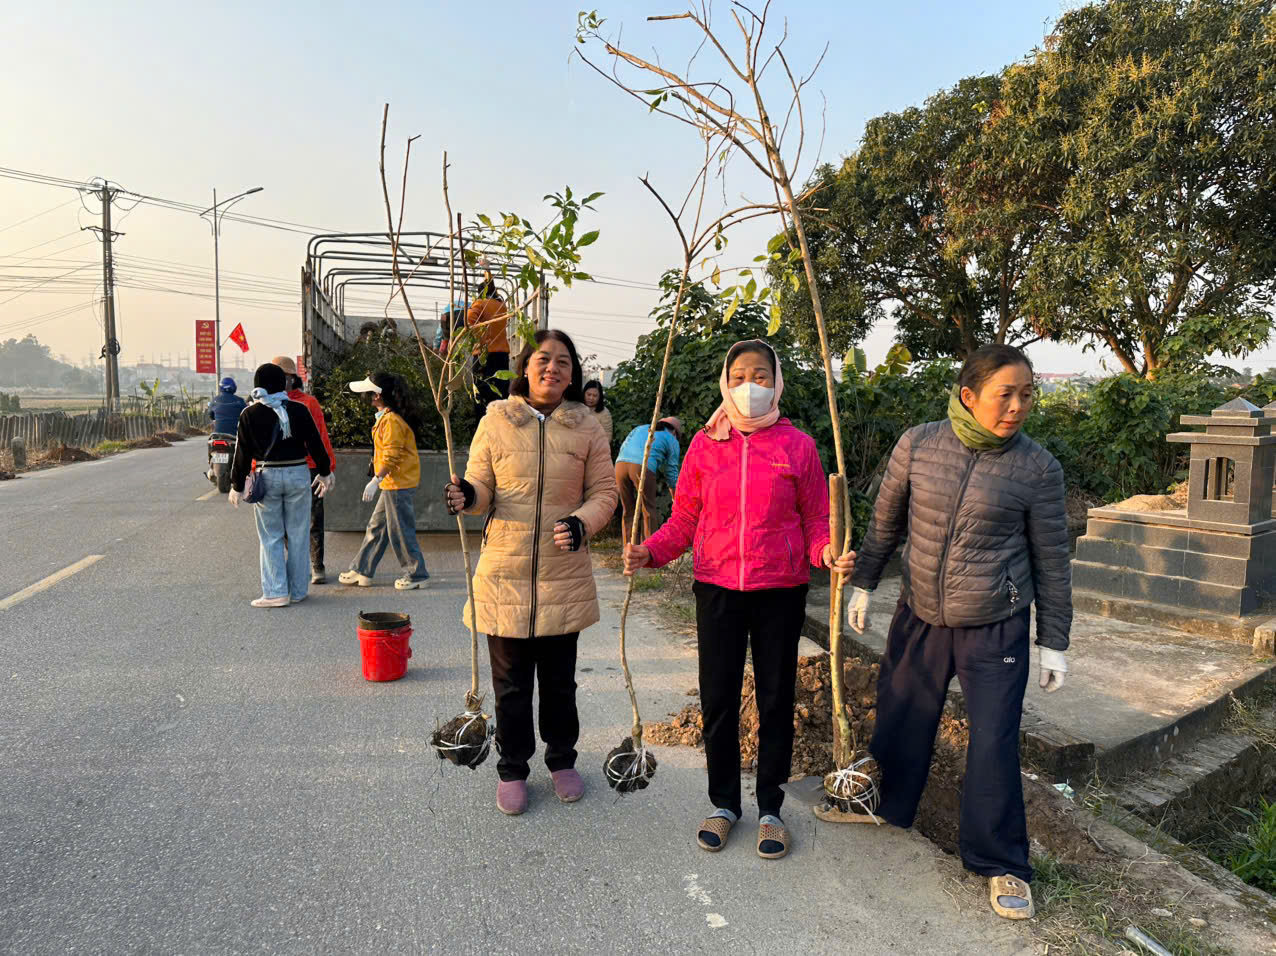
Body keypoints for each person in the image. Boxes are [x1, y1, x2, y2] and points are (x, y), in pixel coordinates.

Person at [831, 343, 1071, 921]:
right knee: (902, 713)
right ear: (968, 396)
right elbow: (886, 520)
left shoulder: (1037, 468)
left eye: (1026, 395)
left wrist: (1054, 640)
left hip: (995, 623)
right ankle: (886, 806)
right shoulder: (918, 443)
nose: (1017, 407)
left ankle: (1001, 861)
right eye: (1004, 395)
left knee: (993, 741)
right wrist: (865, 582)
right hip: (921, 611)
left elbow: (1052, 560)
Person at [623, 339, 856, 860]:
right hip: (717, 587)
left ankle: (771, 807)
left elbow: (818, 518)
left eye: (761, 375)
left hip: (781, 589)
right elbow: (684, 518)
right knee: (719, 698)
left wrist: (827, 553)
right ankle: (724, 802)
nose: (750, 385)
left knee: (776, 698)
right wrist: (651, 553)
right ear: (725, 384)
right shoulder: (707, 445)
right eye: (739, 375)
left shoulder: (798, 446)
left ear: (777, 382)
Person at [444, 330, 618, 816]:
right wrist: (467, 496)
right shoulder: (496, 422)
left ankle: (562, 760)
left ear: (573, 373)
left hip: (563, 572)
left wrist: (581, 523)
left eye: (564, 362)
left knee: (560, 682)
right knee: (511, 684)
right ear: (525, 366)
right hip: (505, 570)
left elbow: (605, 492)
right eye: (544, 359)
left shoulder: (587, 427)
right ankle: (513, 768)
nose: (553, 369)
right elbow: (481, 488)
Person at [228, 363, 333, 608]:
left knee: (271, 536)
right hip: (299, 473)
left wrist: (236, 485)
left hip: (268, 476)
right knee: (298, 534)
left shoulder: (249, 414)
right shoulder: (298, 409)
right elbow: (316, 444)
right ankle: (298, 590)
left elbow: (241, 454)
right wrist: (325, 472)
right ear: (283, 384)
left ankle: (276, 592)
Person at [338, 372, 431, 590]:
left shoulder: (391, 421)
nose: (365, 397)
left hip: (397, 483)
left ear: (377, 396)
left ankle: (417, 574)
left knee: (400, 531)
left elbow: (391, 454)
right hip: (392, 483)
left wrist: (376, 479)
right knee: (377, 527)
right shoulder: (388, 418)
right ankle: (362, 569)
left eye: (368, 393)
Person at [271, 356, 336, 585]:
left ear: (293, 378)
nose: (283, 381)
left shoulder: (308, 403)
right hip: (280, 469)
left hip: (309, 469)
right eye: (279, 377)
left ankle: (317, 565)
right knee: (284, 522)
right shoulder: (267, 404)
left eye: (286, 377)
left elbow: (321, 436)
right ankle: (298, 564)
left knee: (313, 520)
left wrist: (327, 469)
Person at [614, 417, 681, 543]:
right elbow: (671, 472)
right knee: (648, 510)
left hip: (620, 466)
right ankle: (648, 552)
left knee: (628, 509)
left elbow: (624, 446)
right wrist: (675, 497)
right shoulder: (671, 439)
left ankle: (629, 552)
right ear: (674, 432)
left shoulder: (639, 428)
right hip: (641, 467)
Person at [466, 280, 511, 414]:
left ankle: (482, 422)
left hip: (484, 355)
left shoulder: (480, 303)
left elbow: (469, 318)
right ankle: (501, 420)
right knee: (501, 391)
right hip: (502, 355)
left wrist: (482, 335)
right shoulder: (502, 306)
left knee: (481, 391)